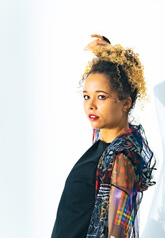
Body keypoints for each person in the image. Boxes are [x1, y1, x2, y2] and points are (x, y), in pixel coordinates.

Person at [51, 34, 157, 238]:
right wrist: (113, 56)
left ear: (126, 103)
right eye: (86, 96)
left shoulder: (121, 158)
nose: (91, 104)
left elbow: (118, 234)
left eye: (101, 96)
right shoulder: (103, 145)